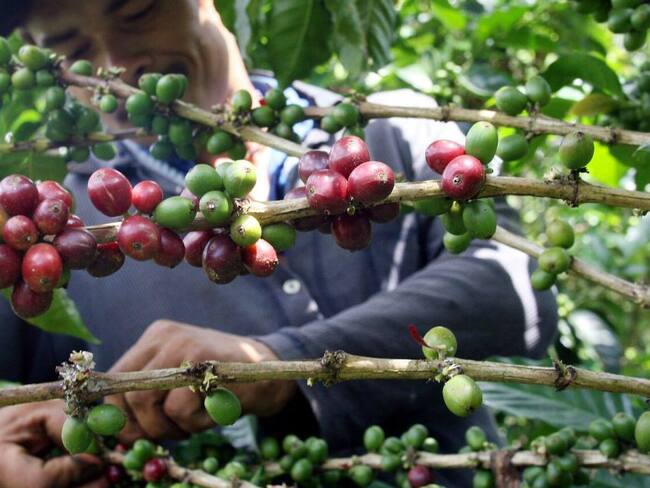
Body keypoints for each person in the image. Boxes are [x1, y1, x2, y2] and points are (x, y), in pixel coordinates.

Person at [0, 1, 558, 487]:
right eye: (73, 50)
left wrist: (279, 361)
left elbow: (515, 292)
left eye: (137, 11)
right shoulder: (66, 229)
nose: (117, 65)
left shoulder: (393, 133)